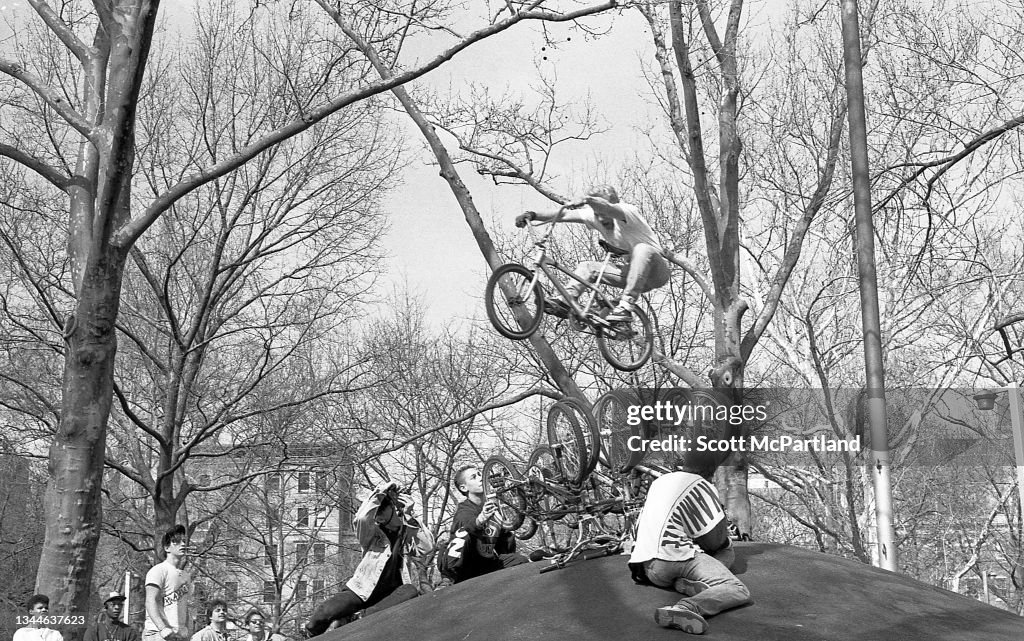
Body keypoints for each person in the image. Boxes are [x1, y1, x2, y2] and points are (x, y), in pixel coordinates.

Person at [627, 458, 751, 635]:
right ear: (711, 470)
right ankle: (687, 608)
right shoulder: (700, 484)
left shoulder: (661, 480)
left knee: (687, 558)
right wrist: (725, 536)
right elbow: (714, 540)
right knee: (736, 587)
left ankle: (684, 585)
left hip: (648, 568)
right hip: (673, 558)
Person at [516, 185, 670, 322]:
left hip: (656, 272)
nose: (601, 218)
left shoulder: (628, 212)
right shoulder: (595, 214)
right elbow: (562, 215)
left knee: (642, 249)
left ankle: (626, 306)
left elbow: (607, 209)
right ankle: (566, 301)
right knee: (588, 267)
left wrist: (587, 199)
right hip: (631, 275)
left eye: (603, 213)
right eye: (597, 214)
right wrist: (533, 214)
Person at [303, 481, 433, 636]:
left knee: (410, 590)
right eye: (376, 516)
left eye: (381, 514)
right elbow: (362, 518)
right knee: (324, 612)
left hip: (388, 595)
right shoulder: (373, 534)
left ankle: (358, 618)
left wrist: (410, 516)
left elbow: (427, 547)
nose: (378, 519)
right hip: (361, 590)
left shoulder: (406, 531)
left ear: (392, 508)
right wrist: (380, 492)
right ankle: (309, 634)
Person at [449, 465, 528, 582]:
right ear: (464, 488)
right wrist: (480, 520)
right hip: (468, 570)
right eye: (474, 477)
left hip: (488, 563)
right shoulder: (464, 513)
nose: (481, 478)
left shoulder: (492, 507)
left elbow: (506, 542)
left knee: (520, 560)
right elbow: (463, 537)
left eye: (480, 474)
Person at [144, 525, 193, 641]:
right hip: (158, 633)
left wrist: (187, 628)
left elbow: (185, 605)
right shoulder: (158, 570)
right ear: (167, 548)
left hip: (178, 635)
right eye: (176, 541)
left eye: (184, 541)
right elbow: (150, 601)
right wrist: (162, 628)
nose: (182, 544)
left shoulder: (186, 576)